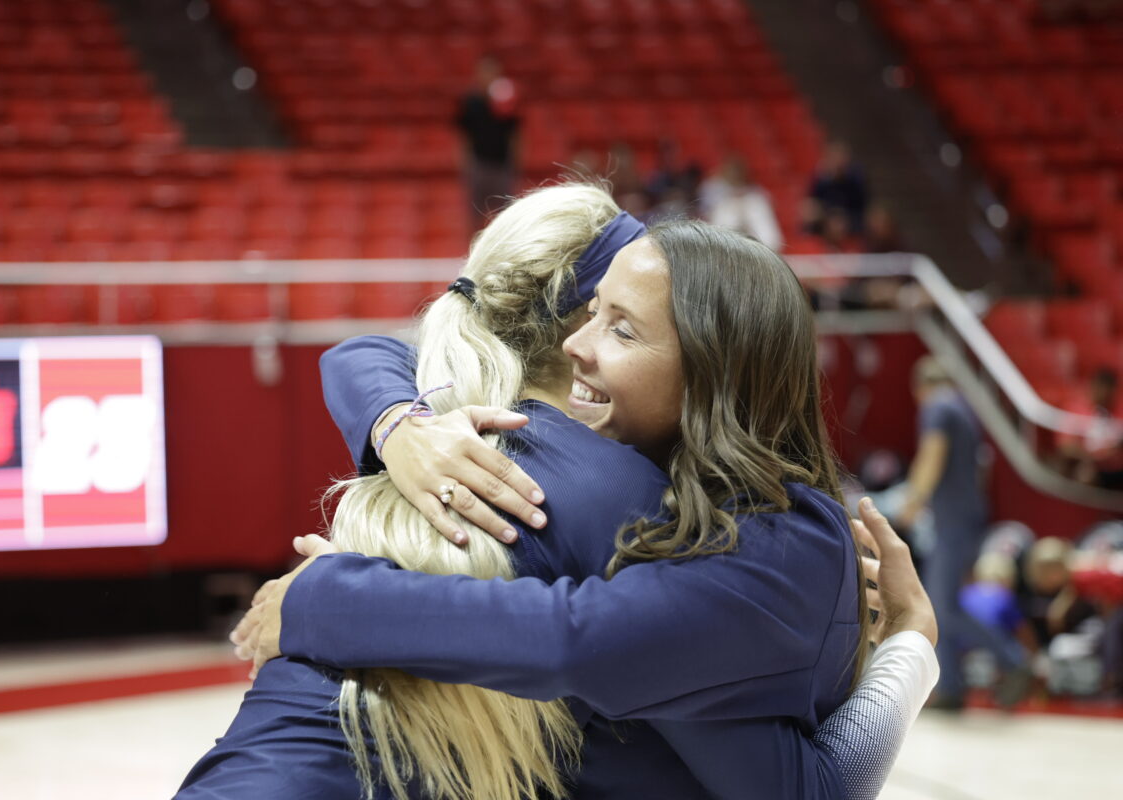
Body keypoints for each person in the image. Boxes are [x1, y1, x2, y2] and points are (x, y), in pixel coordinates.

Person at [227, 215, 940, 799]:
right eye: (592, 313)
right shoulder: (616, 482)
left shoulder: (780, 539)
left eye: (622, 329)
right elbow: (363, 356)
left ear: (715, 375)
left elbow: (576, 641)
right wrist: (402, 431)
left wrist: (330, 598)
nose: (578, 346)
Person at [900, 357, 1029, 709]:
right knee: (945, 603)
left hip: (953, 521)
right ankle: (952, 686)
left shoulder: (938, 406)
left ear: (920, 388)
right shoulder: (962, 410)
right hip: (965, 517)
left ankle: (1013, 661)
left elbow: (932, 453)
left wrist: (913, 501)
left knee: (942, 607)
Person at [454, 55, 520, 233]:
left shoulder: (507, 101)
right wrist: (465, 163)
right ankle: (472, 252)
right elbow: (463, 135)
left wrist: (515, 163)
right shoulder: (471, 102)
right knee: (475, 213)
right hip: (479, 164)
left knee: (505, 214)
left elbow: (515, 134)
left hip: (502, 165)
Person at [699, 155, 784, 252]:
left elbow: (770, 202)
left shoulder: (755, 192)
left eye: (737, 170)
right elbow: (707, 212)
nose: (734, 173)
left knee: (756, 203)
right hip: (722, 236)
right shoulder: (713, 188)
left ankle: (762, 251)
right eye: (731, 170)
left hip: (754, 239)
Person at [1056, 368, 1123, 489]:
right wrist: (1094, 457)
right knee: (1085, 474)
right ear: (1092, 386)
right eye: (1100, 388)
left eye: (1108, 390)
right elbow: (1066, 446)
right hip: (1090, 464)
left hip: (1117, 466)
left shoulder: (1119, 411)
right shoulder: (1076, 409)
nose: (1103, 393)